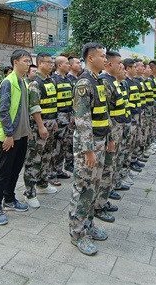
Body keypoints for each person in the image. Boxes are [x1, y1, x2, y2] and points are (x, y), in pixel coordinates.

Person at [68, 42, 110, 256]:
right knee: (83, 187)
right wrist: (88, 150)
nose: (105, 59)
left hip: (100, 142)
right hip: (89, 146)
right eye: (102, 56)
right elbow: (82, 120)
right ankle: (77, 233)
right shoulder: (84, 83)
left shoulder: (98, 81)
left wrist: (108, 138)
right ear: (90, 58)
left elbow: (102, 114)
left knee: (94, 186)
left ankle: (88, 225)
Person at [0, 50, 32, 225]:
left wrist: (27, 129)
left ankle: (9, 199)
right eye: (25, 61)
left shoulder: (23, 81)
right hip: (10, 136)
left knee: (15, 169)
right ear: (15, 62)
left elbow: (23, 109)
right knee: (4, 170)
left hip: (21, 134)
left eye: (29, 61)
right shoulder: (8, 82)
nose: (28, 64)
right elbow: (3, 110)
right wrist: (8, 134)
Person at [23, 53, 59, 208]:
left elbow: (52, 103)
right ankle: (29, 193)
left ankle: (42, 184)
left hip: (51, 124)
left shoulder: (50, 81)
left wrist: (54, 121)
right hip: (40, 127)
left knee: (46, 156)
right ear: (39, 63)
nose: (51, 65)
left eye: (52, 62)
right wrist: (41, 125)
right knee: (34, 159)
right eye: (48, 62)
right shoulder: (35, 83)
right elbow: (34, 107)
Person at [95, 51, 126, 223]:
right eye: (119, 63)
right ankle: (99, 205)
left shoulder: (113, 82)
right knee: (106, 169)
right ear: (110, 65)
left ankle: (102, 201)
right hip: (109, 131)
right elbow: (104, 112)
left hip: (115, 129)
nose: (121, 66)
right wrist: (110, 136)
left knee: (110, 167)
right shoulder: (106, 82)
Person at [51, 56, 73, 181]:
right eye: (66, 63)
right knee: (55, 147)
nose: (69, 65)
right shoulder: (54, 80)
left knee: (64, 146)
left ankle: (59, 169)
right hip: (59, 118)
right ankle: (51, 172)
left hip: (68, 118)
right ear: (59, 65)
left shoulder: (68, 80)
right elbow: (52, 102)